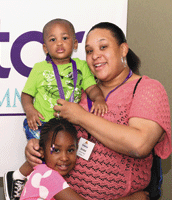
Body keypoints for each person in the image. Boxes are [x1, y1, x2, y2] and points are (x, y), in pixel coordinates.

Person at [25, 22, 171, 200]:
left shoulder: (146, 89)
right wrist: (37, 147)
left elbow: (139, 145)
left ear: (123, 49)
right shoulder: (80, 91)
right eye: (89, 51)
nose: (95, 56)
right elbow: (59, 137)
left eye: (103, 47)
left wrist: (81, 117)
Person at [4, 18, 108, 200]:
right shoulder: (39, 69)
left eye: (65, 38)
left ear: (75, 44)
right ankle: (18, 177)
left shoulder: (81, 67)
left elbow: (92, 89)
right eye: (52, 40)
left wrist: (99, 99)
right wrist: (29, 110)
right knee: (39, 152)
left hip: (66, 126)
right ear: (45, 48)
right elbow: (26, 95)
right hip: (41, 123)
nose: (59, 43)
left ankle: (51, 189)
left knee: (63, 158)